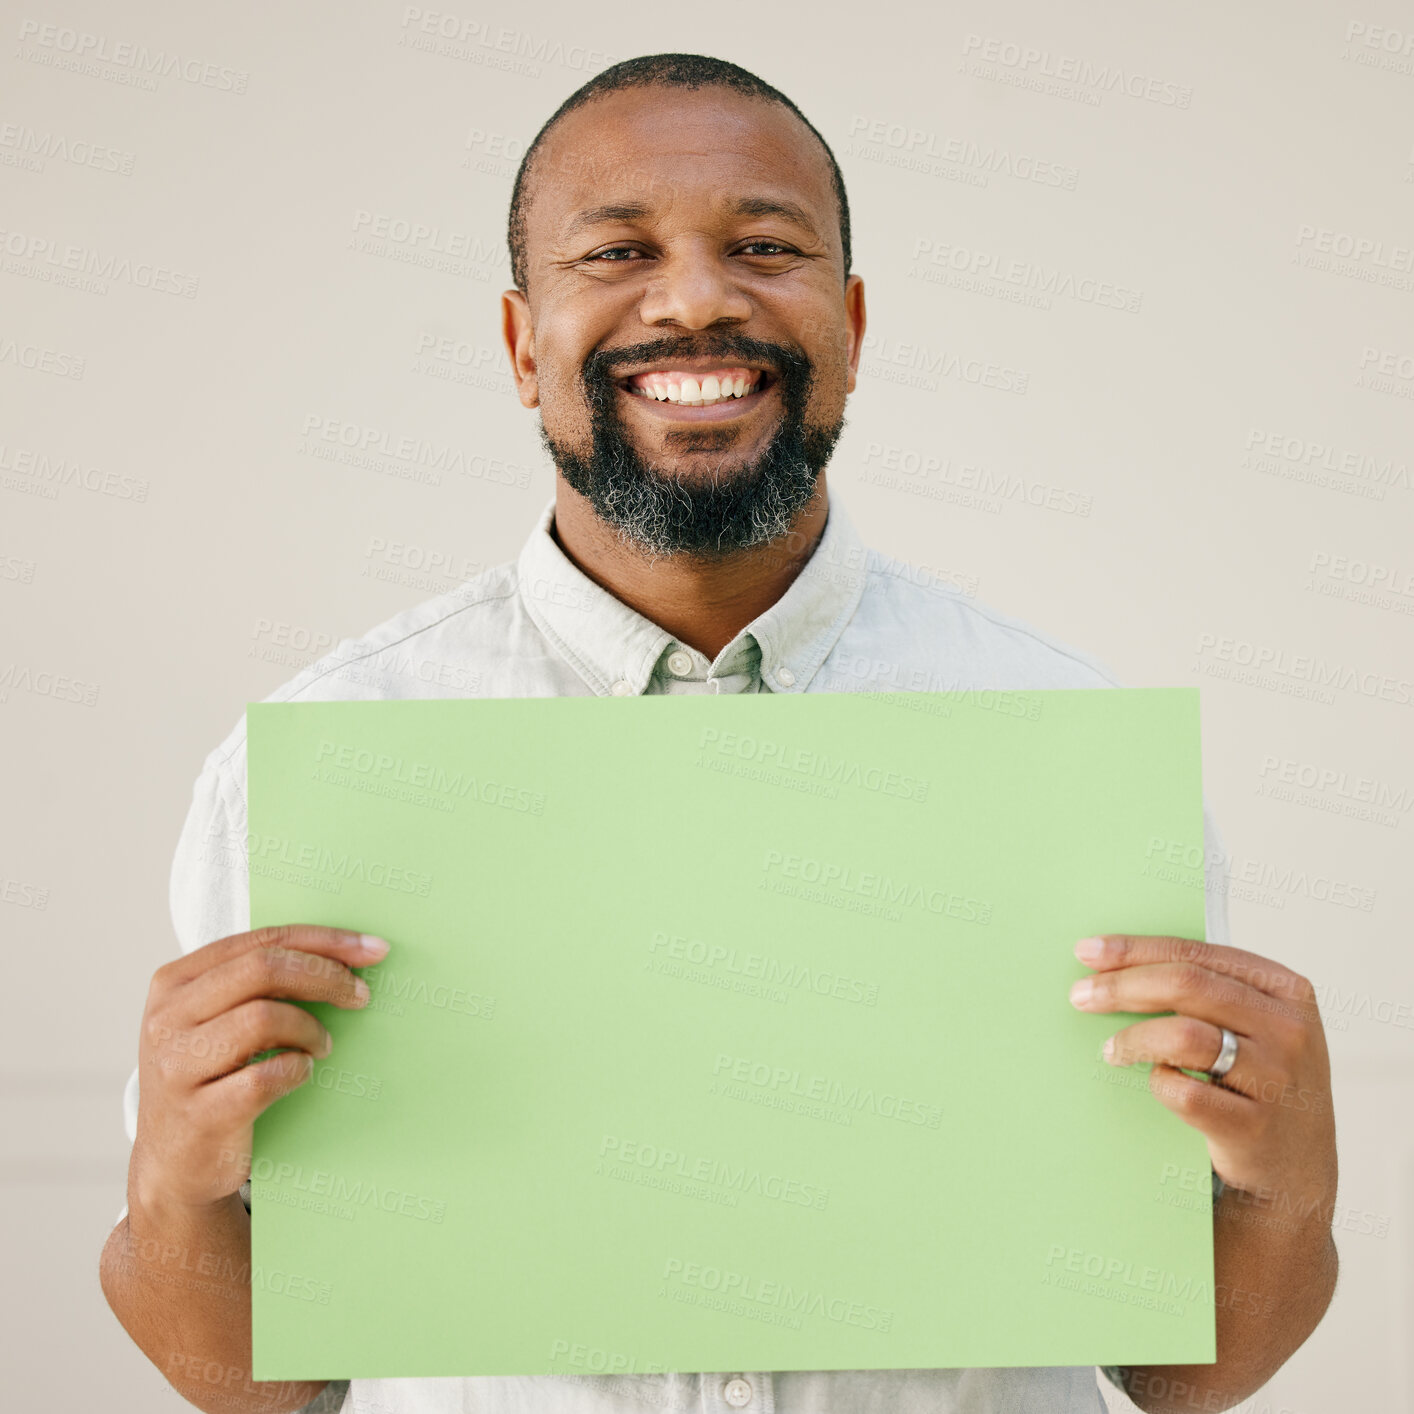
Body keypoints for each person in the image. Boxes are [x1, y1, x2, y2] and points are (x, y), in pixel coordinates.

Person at [99, 52, 1338, 1414]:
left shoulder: (1076, 756)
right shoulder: (326, 754)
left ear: (852, 328)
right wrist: (172, 1182)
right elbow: (251, 1384)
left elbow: (1176, 1371)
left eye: (762, 245)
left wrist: (1283, 1198)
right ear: (523, 345)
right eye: (618, 251)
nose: (693, 299)